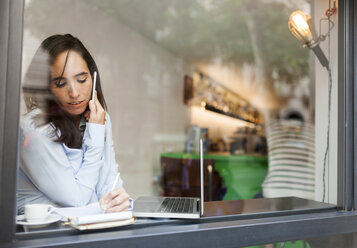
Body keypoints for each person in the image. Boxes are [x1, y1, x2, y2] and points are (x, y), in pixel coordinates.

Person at [17, 34, 130, 214]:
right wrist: (96, 133)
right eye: (61, 83)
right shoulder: (34, 128)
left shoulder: (98, 118)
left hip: (88, 229)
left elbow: (109, 183)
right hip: (44, 235)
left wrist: (120, 200)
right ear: (46, 87)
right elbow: (77, 200)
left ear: (93, 78)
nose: (75, 93)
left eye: (82, 79)